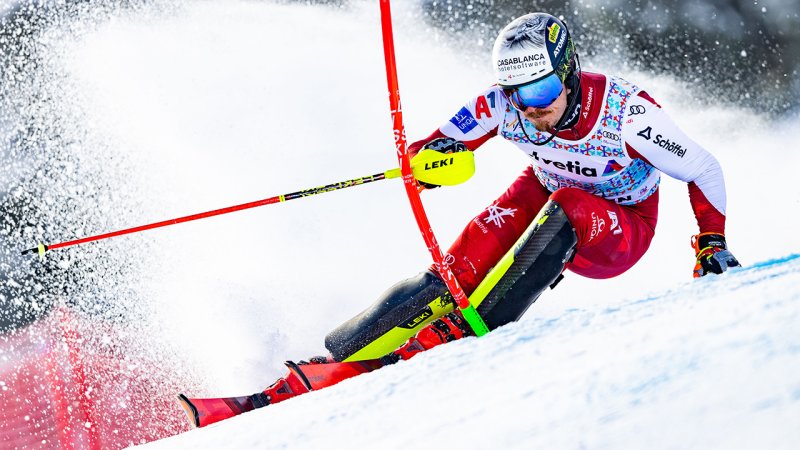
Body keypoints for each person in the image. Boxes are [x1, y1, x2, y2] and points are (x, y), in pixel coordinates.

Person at [178, 12, 741, 427]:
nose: (532, 106)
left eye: (543, 89)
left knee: (567, 206)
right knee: (453, 271)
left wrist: (710, 243)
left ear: (567, 73)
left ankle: (457, 338)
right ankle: (325, 365)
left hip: (618, 226)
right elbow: (443, 143)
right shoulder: (503, 104)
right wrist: (427, 163)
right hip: (546, 193)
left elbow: (703, 167)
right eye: (518, 94)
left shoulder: (627, 113)